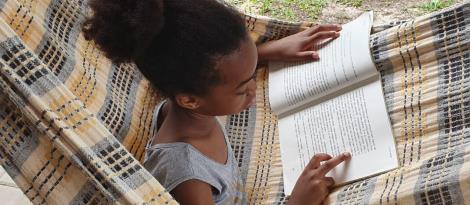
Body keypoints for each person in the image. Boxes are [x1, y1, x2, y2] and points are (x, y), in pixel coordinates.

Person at [82, 0, 351, 204]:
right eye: (243, 86)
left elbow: (219, 75)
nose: (254, 89)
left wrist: (268, 51)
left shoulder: (187, 104)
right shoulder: (188, 179)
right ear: (189, 99)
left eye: (252, 73)